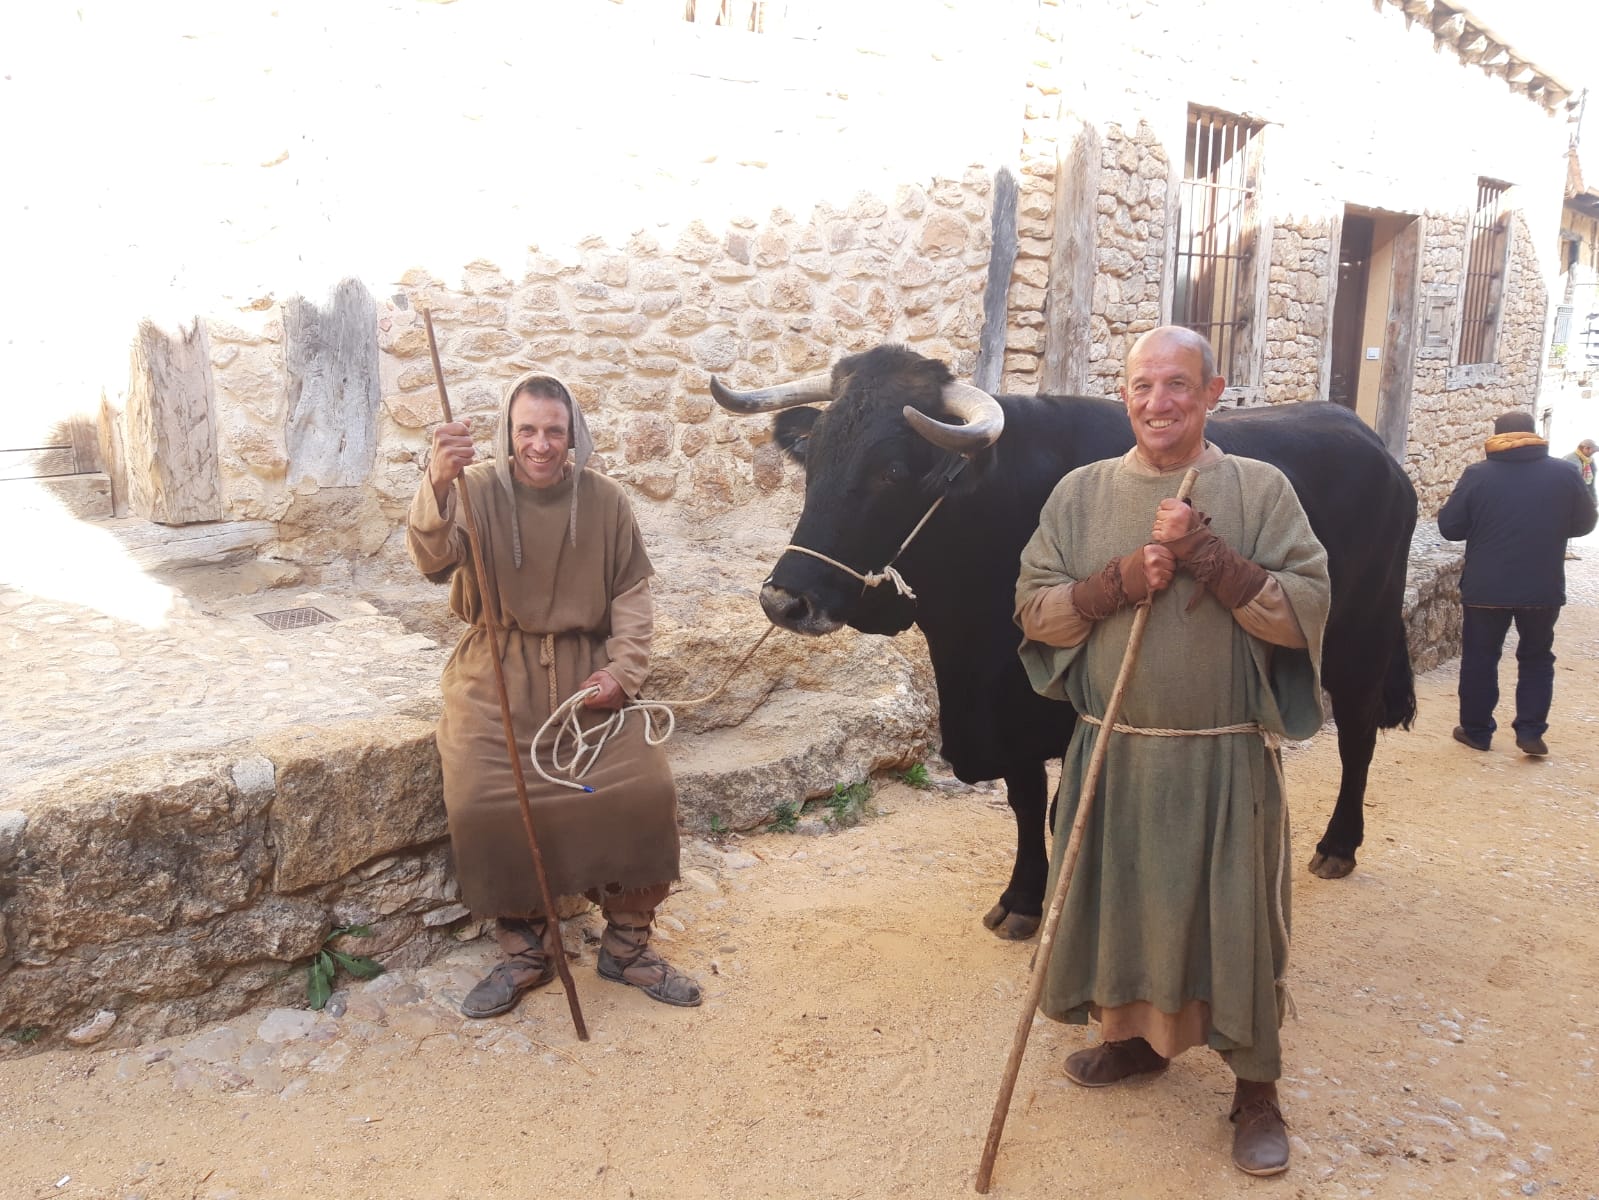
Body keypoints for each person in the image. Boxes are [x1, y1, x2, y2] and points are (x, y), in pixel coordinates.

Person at [1013, 326, 1331, 1177]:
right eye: (1143, 385)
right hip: (1114, 753)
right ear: (1124, 393)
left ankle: (1256, 1089)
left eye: (1178, 385)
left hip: (1221, 759)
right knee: (1123, 909)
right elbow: (1036, 611)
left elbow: (1303, 608)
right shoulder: (1079, 495)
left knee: (1237, 924)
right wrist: (1112, 583)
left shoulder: (1260, 489)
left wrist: (1207, 556)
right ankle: (1138, 1042)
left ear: (1213, 391)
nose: (1159, 402)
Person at [407, 370, 702, 1018]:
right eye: (527, 431)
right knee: (485, 800)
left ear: (574, 436)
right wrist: (435, 480)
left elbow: (631, 596)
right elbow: (432, 562)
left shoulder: (605, 502)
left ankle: (626, 944)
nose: (539, 445)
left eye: (553, 431)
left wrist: (623, 673)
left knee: (644, 789)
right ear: (509, 435)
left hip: (586, 679)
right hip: (496, 675)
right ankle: (526, 949)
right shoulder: (474, 488)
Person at [1438, 413, 1597, 757]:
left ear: (1497, 436)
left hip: (1486, 588)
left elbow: (1450, 528)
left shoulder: (1478, 475)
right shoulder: (1565, 473)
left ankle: (1477, 731)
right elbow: (1585, 523)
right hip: (1543, 587)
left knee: (1481, 657)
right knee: (1538, 657)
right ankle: (1530, 731)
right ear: (1534, 434)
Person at [1561, 438, 1596, 559]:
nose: (1593, 452)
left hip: (1581, 497)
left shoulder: (1589, 461)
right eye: (1591, 450)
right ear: (1585, 448)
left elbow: (1590, 483)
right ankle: (1562, 551)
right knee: (1564, 524)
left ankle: (1567, 550)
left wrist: (1593, 498)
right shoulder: (1569, 459)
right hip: (1568, 498)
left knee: (1572, 522)